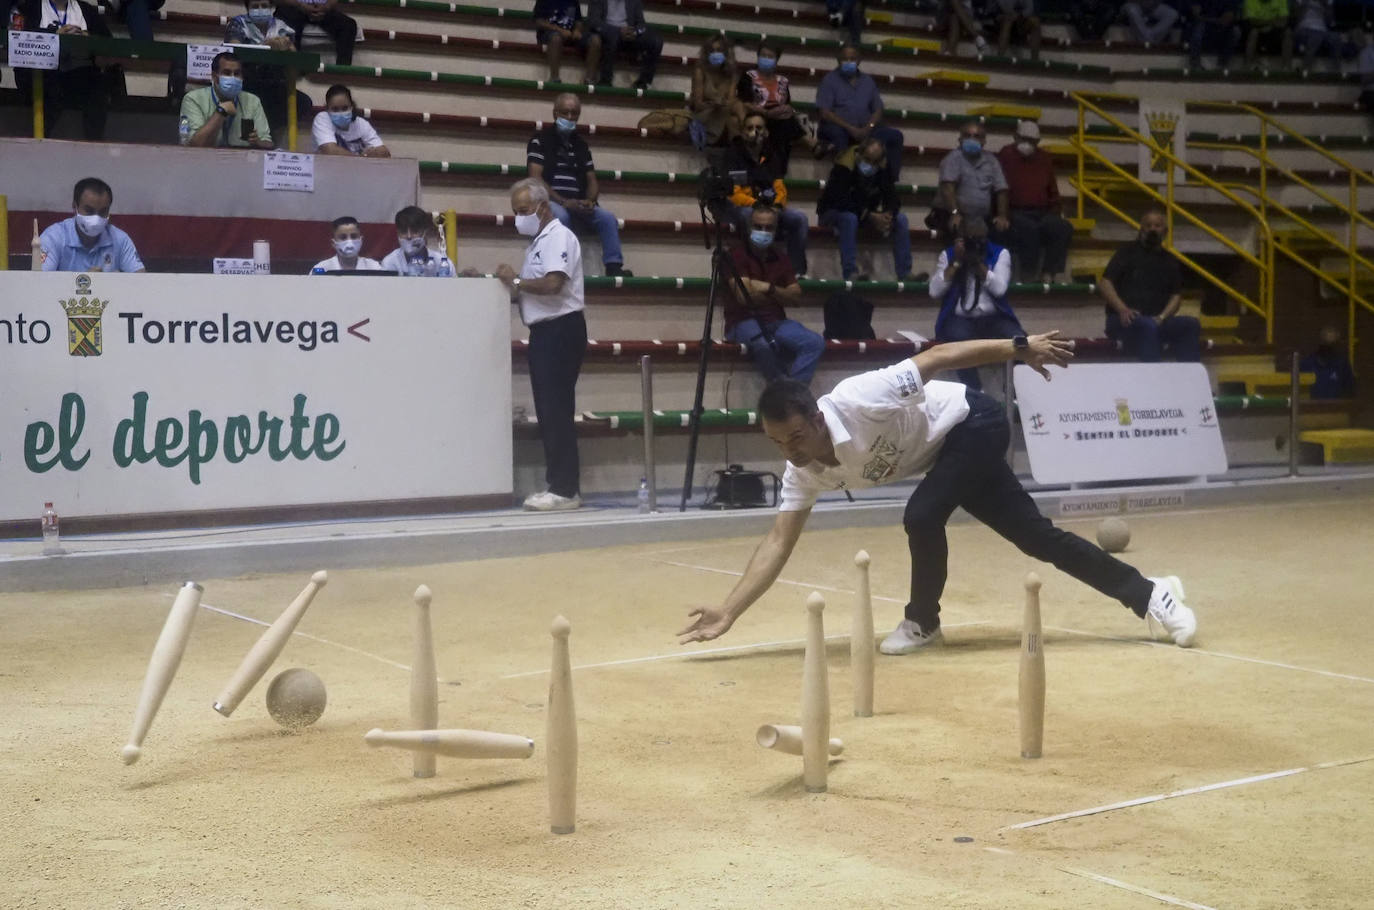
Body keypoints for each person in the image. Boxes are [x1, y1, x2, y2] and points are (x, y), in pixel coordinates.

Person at [676, 339, 1199, 653]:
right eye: (776, 444)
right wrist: (730, 610)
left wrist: (1019, 347)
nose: (790, 453)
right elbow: (776, 542)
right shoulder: (804, 473)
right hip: (947, 455)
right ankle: (1151, 592)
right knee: (1037, 538)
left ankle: (922, 623)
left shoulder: (858, 399)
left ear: (816, 418)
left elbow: (939, 356)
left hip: (973, 419)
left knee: (922, 515)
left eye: (796, 438)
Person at [494, 179, 587, 512]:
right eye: (515, 212)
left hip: (560, 330)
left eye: (523, 211)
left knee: (555, 410)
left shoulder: (558, 237)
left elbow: (553, 283)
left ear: (543, 207)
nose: (519, 218)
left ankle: (564, 488)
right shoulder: (537, 241)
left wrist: (516, 281)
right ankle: (561, 484)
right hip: (546, 331)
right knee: (551, 410)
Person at [526, 93, 630, 277]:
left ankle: (614, 266)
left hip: (578, 201)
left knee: (607, 218)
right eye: (565, 113)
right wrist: (564, 201)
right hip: (550, 201)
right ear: (555, 113)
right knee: (561, 217)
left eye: (575, 113)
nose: (570, 118)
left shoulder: (581, 145)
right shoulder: (539, 140)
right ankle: (565, 267)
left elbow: (591, 179)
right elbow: (536, 179)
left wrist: (590, 200)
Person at [725, 204, 825, 385]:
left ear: (775, 230)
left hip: (777, 321)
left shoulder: (781, 257)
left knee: (814, 342)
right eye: (758, 227)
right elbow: (744, 297)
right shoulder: (736, 255)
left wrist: (767, 288)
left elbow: (795, 297)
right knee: (764, 345)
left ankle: (790, 395)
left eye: (768, 228)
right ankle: (786, 396)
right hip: (742, 322)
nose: (763, 231)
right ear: (749, 227)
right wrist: (780, 293)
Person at [1098, 208, 1202, 362]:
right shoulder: (1126, 252)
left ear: (1165, 231)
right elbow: (1105, 283)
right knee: (1148, 326)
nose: (1152, 229)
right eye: (1148, 225)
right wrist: (1122, 309)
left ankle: (1187, 380)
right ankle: (1153, 380)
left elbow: (1176, 296)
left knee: (1191, 325)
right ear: (1141, 229)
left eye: (1157, 225)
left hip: (1156, 320)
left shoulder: (1170, 260)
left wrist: (1162, 317)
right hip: (1123, 320)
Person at [930, 219, 1022, 389]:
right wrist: (957, 262)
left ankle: (1014, 393)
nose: (975, 244)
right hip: (959, 318)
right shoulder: (949, 254)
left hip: (993, 317)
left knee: (1020, 339)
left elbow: (1000, 289)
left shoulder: (1000, 253)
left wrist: (979, 265)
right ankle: (975, 391)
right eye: (969, 239)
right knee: (958, 341)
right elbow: (934, 291)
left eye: (978, 239)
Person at [817, 137, 914, 282]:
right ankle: (850, 272)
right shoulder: (844, 165)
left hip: (863, 215)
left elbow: (892, 197)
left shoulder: (881, 168)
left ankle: (905, 273)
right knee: (849, 218)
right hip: (833, 212)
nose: (870, 165)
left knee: (901, 219)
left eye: (875, 162)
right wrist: (869, 215)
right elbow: (839, 200)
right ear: (859, 155)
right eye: (867, 160)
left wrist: (888, 214)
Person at [13, 0, 112, 140]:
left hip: (79, 74)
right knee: (51, 89)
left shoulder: (87, 10)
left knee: (98, 89)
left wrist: (87, 37)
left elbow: (108, 44)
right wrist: (54, 35)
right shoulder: (27, 9)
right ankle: (39, 145)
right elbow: (18, 43)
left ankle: (93, 144)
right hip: (40, 75)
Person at [728, 112, 809, 277]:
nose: (754, 132)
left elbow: (780, 187)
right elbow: (734, 193)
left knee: (799, 218)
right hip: (745, 206)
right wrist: (756, 205)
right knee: (747, 215)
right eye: (750, 128)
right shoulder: (733, 154)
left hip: (769, 205)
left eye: (759, 128)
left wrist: (778, 205)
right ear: (743, 132)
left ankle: (796, 271)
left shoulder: (772, 155)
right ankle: (752, 267)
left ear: (766, 132)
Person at [995, 120, 1072, 282]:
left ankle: (1048, 273)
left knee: (1062, 228)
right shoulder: (1005, 155)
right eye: (1024, 139)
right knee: (1028, 229)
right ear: (1015, 137)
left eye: (1033, 141)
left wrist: (1056, 211)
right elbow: (997, 187)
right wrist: (1001, 214)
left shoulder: (1044, 158)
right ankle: (1028, 274)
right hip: (1014, 211)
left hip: (1041, 212)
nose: (1028, 144)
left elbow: (1052, 190)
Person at [813, 44, 905, 181]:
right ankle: (843, 179)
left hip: (866, 128)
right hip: (839, 127)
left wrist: (869, 128)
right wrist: (850, 128)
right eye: (845, 59)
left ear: (859, 60)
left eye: (852, 58)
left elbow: (878, 109)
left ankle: (889, 180)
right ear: (838, 60)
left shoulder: (867, 81)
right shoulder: (829, 80)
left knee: (895, 136)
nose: (848, 62)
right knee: (838, 136)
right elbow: (825, 112)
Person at [225, 0, 306, 139]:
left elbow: (295, 60)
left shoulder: (281, 26)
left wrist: (288, 47)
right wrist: (266, 46)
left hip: (274, 82)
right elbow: (235, 52)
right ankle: (251, 141)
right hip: (246, 82)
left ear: (271, 7)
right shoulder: (238, 23)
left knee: (303, 102)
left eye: (264, 6)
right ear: (247, 8)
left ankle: (267, 134)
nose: (260, 9)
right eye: (255, 6)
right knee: (255, 100)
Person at [735, 40, 813, 175]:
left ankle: (777, 173)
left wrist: (782, 111)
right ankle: (811, 144)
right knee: (783, 125)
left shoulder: (783, 81)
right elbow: (745, 102)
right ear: (758, 56)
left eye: (770, 57)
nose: (766, 59)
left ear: (777, 60)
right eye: (763, 55)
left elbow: (787, 103)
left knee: (785, 123)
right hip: (756, 114)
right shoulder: (748, 76)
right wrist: (766, 112)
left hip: (778, 118)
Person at [38, 177, 145, 273]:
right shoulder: (53, 237)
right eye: (89, 211)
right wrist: (88, 284)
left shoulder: (120, 239)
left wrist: (116, 282)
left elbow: (142, 282)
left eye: (103, 211)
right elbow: (39, 285)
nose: (96, 218)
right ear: (75, 207)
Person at [180, 52, 274, 149]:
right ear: (214, 77)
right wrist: (221, 112)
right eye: (227, 73)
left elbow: (269, 143)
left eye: (237, 73)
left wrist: (258, 142)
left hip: (242, 160)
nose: (233, 78)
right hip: (204, 160)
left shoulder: (252, 101)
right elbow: (194, 146)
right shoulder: (193, 99)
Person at [938, 119, 1010, 239]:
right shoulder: (952, 159)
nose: (972, 139)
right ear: (960, 139)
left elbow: (1002, 189)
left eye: (977, 136)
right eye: (967, 136)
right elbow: (947, 188)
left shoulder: (991, 161)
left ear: (984, 141)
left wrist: (1002, 215)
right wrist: (955, 213)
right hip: (957, 214)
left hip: (983, 217)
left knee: (1003, 231)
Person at [583, 0, 663, 89]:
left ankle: (644, 82)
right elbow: (594, 22)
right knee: (612, 37)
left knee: (656, 41)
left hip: (628, 35)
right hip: (606, 33)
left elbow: (641, 24)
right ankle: (605, 79)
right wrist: (618, 31)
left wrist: (635, 32)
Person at [689, 35, 744, 148]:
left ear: (726, 54)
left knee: (736, 110)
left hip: (724, 111)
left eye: (719, 50)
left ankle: (741, 142)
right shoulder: (700, 71)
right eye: (712, 51)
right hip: (705, 113)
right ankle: (741, 149)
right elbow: (697, 105)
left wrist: (723, 104)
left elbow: (731, 101)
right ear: (706, 53)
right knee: (732, 120)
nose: (715, 54)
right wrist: (713, 104)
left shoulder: (732, 73)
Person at [312, 85, 390, 156]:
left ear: (351, 107)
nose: (341, 113)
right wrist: (362, 158)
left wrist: (375, 153)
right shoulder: (322, 118)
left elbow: (385, 152)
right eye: (335, 109)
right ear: (327, 109)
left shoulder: (361, 123)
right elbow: (330, 151)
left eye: (345, 108)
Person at [273, 0, 356, 64]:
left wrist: (326, 7)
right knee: (285, 22)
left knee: (348, 25)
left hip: (322, 8)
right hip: (293, 7)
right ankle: (291, 66)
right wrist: (301, 5)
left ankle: (342, 70)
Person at [381, 206, 456, 277]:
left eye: (415, 231)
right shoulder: (390, 263)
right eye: (403, 231)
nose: (409, 236)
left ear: (425, 232)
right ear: (397, 233)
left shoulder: (442, 263)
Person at [532, 0, 589, 82]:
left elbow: (578, 20)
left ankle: (589, 80)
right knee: (556, 38)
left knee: (594, 40)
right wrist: (559, 30)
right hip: (548, 34)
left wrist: (577, 30)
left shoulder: (574, 1)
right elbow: (538, 22)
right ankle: (554, 78)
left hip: (570, 34)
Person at [310, 216, 384, 272]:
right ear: (333, 243)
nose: (349, 241)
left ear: (361, 240)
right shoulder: (322, 269)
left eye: (354, 236)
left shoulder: (373, 267)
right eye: (343, 237)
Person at [1300, 326, 1356, 399]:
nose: (1327, 349)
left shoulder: (1342, 364)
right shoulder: (1307, 363)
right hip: (1312, 409)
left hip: (1337, 409)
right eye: (1325, 344)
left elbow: (1350, 392)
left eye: (1332, 345)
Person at [1184, 0, 1240, 68]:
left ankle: (1222, 65)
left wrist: (1207, 19)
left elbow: (1227, 19)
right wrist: (1217, 20)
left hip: (1221, 29)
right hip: (1204, 29)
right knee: (1199, 27)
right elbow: (1196, 15)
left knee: (1235, 31)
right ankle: (1195, 63)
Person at [1294, 0, 1340, 70]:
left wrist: (1325, 5)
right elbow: (1296, 17)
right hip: (1304, 28)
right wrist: (1305, 4)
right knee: (1316, 36)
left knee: (1336, 37)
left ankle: (1336, 71)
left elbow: (1331, 22)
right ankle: (1305, 68)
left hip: (1322, 30)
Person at [1242, 0, 1291, 66]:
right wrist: (1271, 22)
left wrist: (1269, 24)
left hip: (1274, 30)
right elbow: (1253, 21)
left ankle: (1287, 67)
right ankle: (1247, 65)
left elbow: (1284, 20)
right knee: (1253, 32)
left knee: (1288, 32)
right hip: (1258, 29)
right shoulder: (1250, 1)